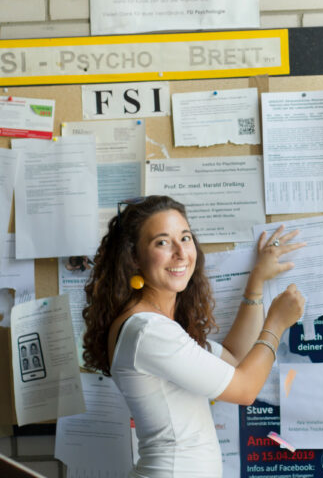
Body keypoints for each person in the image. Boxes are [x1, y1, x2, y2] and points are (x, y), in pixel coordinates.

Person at [82, 195, 305, 478]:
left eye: (185, 238)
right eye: (162, 242)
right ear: (134, 258)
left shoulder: (157, 325)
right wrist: (276, 324)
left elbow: (234, 359)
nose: (181, 253)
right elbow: (245, 389)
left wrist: (256, 283)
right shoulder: (148, 331)